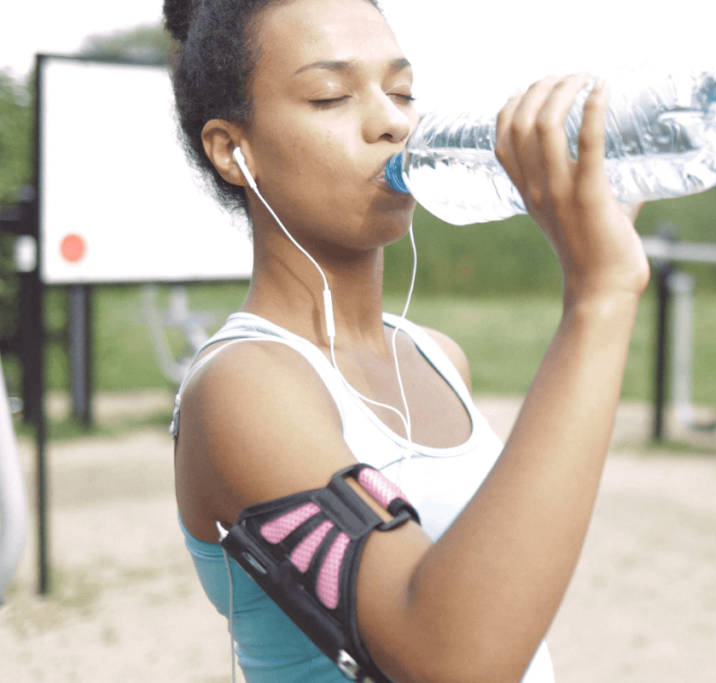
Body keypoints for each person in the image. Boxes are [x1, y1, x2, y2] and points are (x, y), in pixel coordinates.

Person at [164, 0, 650, 681]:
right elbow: (450, 658)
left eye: (402, 91)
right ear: (232, 151)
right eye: (330, 95)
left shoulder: (438, 356)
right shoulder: (243, 387)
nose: (393, 121)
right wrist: (597, 298)